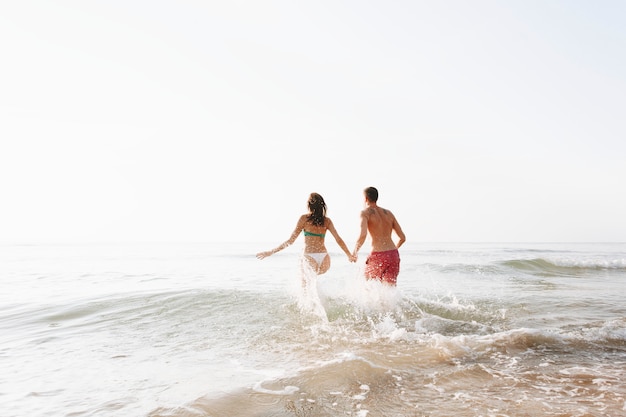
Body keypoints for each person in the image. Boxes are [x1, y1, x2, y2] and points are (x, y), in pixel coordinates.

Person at [256, 192, 356, 275]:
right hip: (324, 258)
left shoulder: (304, 219)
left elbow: (290, 241)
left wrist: (271, 252)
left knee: (305, 285)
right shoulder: (327, 221)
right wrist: (349, 255)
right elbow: (338, 239)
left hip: (310, 256)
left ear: (309, 205)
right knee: (313, 281)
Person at [352, 186, 406, 285]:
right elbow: (402, 238)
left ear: (365, 199)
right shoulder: (389, 213)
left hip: (378, 255)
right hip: (393, 255)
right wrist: (392, 252)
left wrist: (355, 252)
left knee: (367, 286)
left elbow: (363, 235)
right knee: (390, 290)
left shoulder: (365, 213)